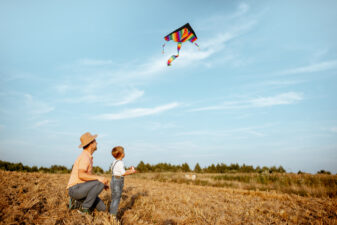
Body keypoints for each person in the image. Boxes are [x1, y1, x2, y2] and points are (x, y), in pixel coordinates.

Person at [67, 132, 109, 214]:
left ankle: (77, 202)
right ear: (91, 144)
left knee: (103, 208)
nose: (97, 143)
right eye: (95, 141)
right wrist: (99, 179)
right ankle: (84, 208)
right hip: (75, 189)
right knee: (99, 182)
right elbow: (81, 175)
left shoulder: (88, 157)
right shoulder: (85, 157)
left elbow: (87, 178)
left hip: (81, 188)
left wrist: (101, 183)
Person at [109, 146, 137, 216]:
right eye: (123, 152)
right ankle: (113, 215)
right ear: (121, 154)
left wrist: (130, 170)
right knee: (117, 199)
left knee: (114, 198)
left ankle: (111, 214)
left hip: (113, 179)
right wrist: (132, 172)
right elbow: (123, 173)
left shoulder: (115, 162)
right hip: (118, 181)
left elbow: (120, 171)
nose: (124, 153)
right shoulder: (120, 163)